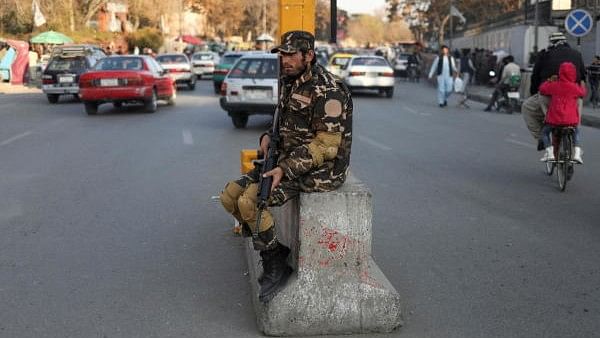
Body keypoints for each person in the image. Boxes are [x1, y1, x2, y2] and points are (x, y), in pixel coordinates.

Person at [218, 31, 353, 303]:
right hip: (286, 158)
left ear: (309, 55)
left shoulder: (328, 89)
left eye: (291, 54)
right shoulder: (290, 81)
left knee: (250, 203)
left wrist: (284, 169)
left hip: (319, 171)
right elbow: (283, 119)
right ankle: (272, 248)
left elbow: (326, 146)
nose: (285, 59)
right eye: (282, 54)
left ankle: (274, 263)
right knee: (230, 195)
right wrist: (267, 135)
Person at [521, 32, 586, 151]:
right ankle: (574, 150)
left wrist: (534, 92)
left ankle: (541, 137)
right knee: (575, 122)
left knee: (527, 107)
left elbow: (535, 77)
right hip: (574, 96)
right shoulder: (577, 54)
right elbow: (583, 77)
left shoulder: (545, 55)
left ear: (551, 43)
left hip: (548, 94)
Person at [538, 62, 585, 163]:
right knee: (576, 132)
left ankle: (550, 152)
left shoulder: (555, 85)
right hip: (571, 120)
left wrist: (549, 81)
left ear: (560, 72)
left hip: (554, 120)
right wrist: (578, 84)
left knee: (544, 133)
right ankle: (577, 153)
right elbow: (582, 93)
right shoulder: (574, 87)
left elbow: (542, 89)